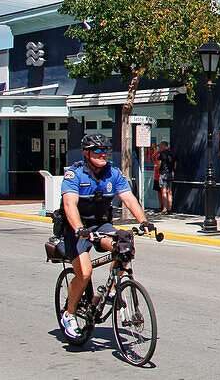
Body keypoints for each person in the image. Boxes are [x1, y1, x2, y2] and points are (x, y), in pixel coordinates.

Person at [58, 132, 153, 340]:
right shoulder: (75, 175)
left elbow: (128, 197)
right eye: (97, 151)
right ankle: (70, 314)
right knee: (84, 273)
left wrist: (143, 221)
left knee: (124, 248)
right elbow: (69, 205)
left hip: (101, 225)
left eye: (106, 151)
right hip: (77, 230)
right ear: (86, 153)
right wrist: (79, 229)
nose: (103, 155)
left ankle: (109, 291)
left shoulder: (114, 174)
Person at [155, 141, 176, 213]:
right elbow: (175, 165)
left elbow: (158, 165)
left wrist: (156, 167)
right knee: (169, 191)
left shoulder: (161, 154)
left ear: (164, 146)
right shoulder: (172, 153)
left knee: (163, 191)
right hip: (170, 173)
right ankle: (170, 208)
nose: (160, 148)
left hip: (163, 173)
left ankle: (164, 208)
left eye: (160, 146)